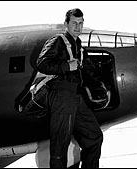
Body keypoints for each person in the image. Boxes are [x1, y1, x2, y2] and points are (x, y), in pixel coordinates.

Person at [36, 8, 103, 168]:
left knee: (94, 137)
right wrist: (67, 66)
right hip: (61, 96)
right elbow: (42, 64)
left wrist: (99, 87)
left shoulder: (78, 44)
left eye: (81, 23)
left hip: (75, 97)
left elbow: (86, 70)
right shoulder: (57, 41)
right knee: (60, 146)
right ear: (66, 24)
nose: (78, 27)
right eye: (74, 23)